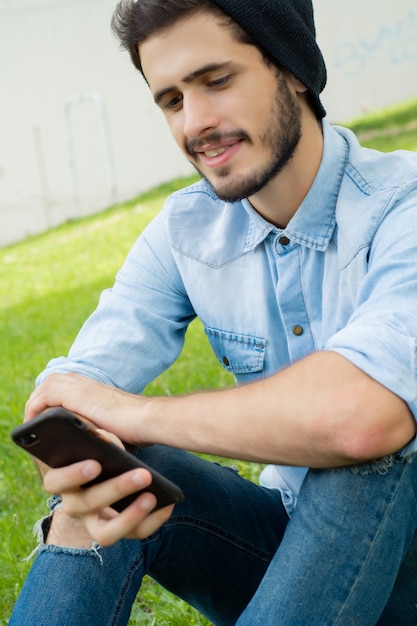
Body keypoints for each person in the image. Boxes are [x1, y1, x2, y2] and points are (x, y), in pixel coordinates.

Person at [10, 0, 417, 624]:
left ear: (294, 68)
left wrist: (131, 411)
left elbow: (360, 421)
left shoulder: (402, 204)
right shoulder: (185, 229)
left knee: (361, 439)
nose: (194, 123)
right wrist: (72, 448)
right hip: (298, 557)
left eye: (216, 81)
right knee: (113, 479)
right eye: (171, 100)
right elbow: (71, 391)